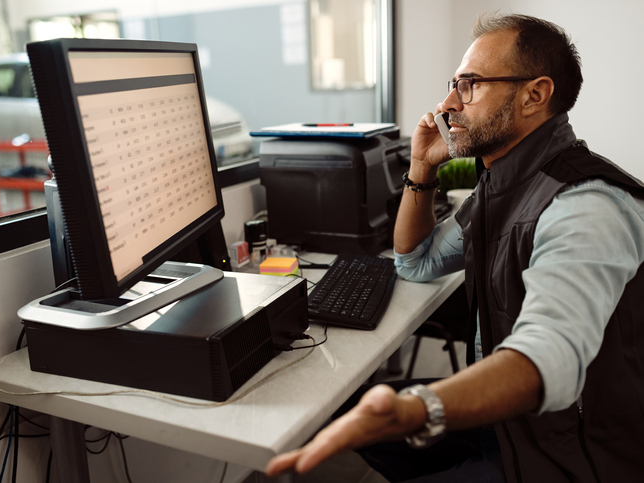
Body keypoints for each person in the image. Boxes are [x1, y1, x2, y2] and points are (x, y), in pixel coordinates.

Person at [266, 13, 644, 482]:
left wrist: (419, 409)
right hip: (514, 424)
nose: (447, 104)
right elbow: (416, 261)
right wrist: (422, 166)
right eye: (454, 84)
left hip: (568, 454)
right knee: (348, 411)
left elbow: (551, 356)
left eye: (469, 84)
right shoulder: (503, 183)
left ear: (535, 95)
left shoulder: (585, 206)